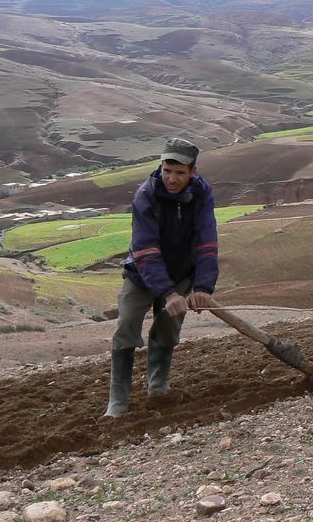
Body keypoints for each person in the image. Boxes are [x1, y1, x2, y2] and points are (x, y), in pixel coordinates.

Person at [104, 137, 218, 417]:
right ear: (161, 166)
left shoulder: (202, 194)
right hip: (141, 274)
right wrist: (168, 293)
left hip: (181, 272)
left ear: (193, 171)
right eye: (168, 170)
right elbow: (146, 249)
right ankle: (118, 400)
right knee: (127, 325)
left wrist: (203, 286)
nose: (172, 178)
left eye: (180, 172)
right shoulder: (146, 194)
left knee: (168, 328)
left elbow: (207, 242)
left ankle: (158, 385)